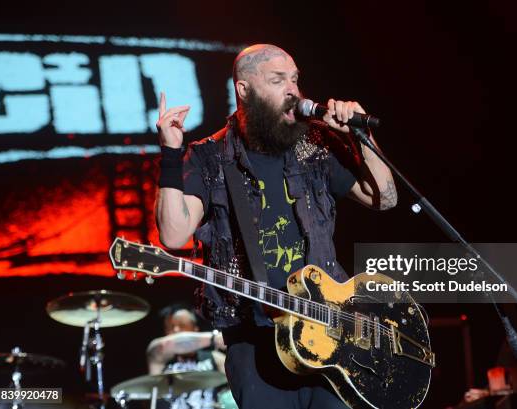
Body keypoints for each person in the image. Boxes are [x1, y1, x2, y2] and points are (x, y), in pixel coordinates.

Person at [155, 44, 397, 409]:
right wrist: (171, 153)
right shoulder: (209, 157)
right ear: (243, 89)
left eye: (295, 80)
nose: (293, 91)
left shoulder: (315, 145)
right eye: (277, 79)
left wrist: (357, 136)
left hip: (329, 332)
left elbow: (385, 197)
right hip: (255, 341)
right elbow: (173, 234)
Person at [146, 304, 230, 409]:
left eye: (182, 325)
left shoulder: (216, 359)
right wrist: (214, 338)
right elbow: (165, 345)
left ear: (196, 329)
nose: (176, 330)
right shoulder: (159, 359)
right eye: (170, 328)